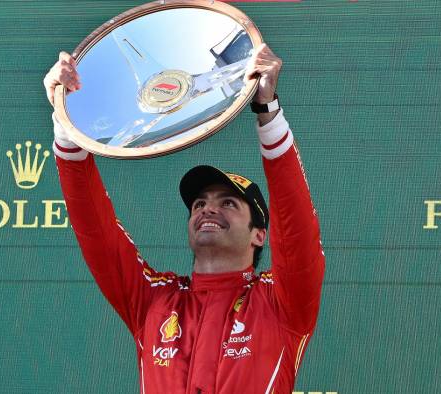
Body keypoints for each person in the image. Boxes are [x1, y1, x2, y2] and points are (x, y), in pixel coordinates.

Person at [44, 43, 325, 394]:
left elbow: (296, 229)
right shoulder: (154, 299)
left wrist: (268, 113)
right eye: (199, 204)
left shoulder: (279, 302)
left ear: (259, 235)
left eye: (228, 204)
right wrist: (67, 122)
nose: (208, 209)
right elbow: (97, 233)